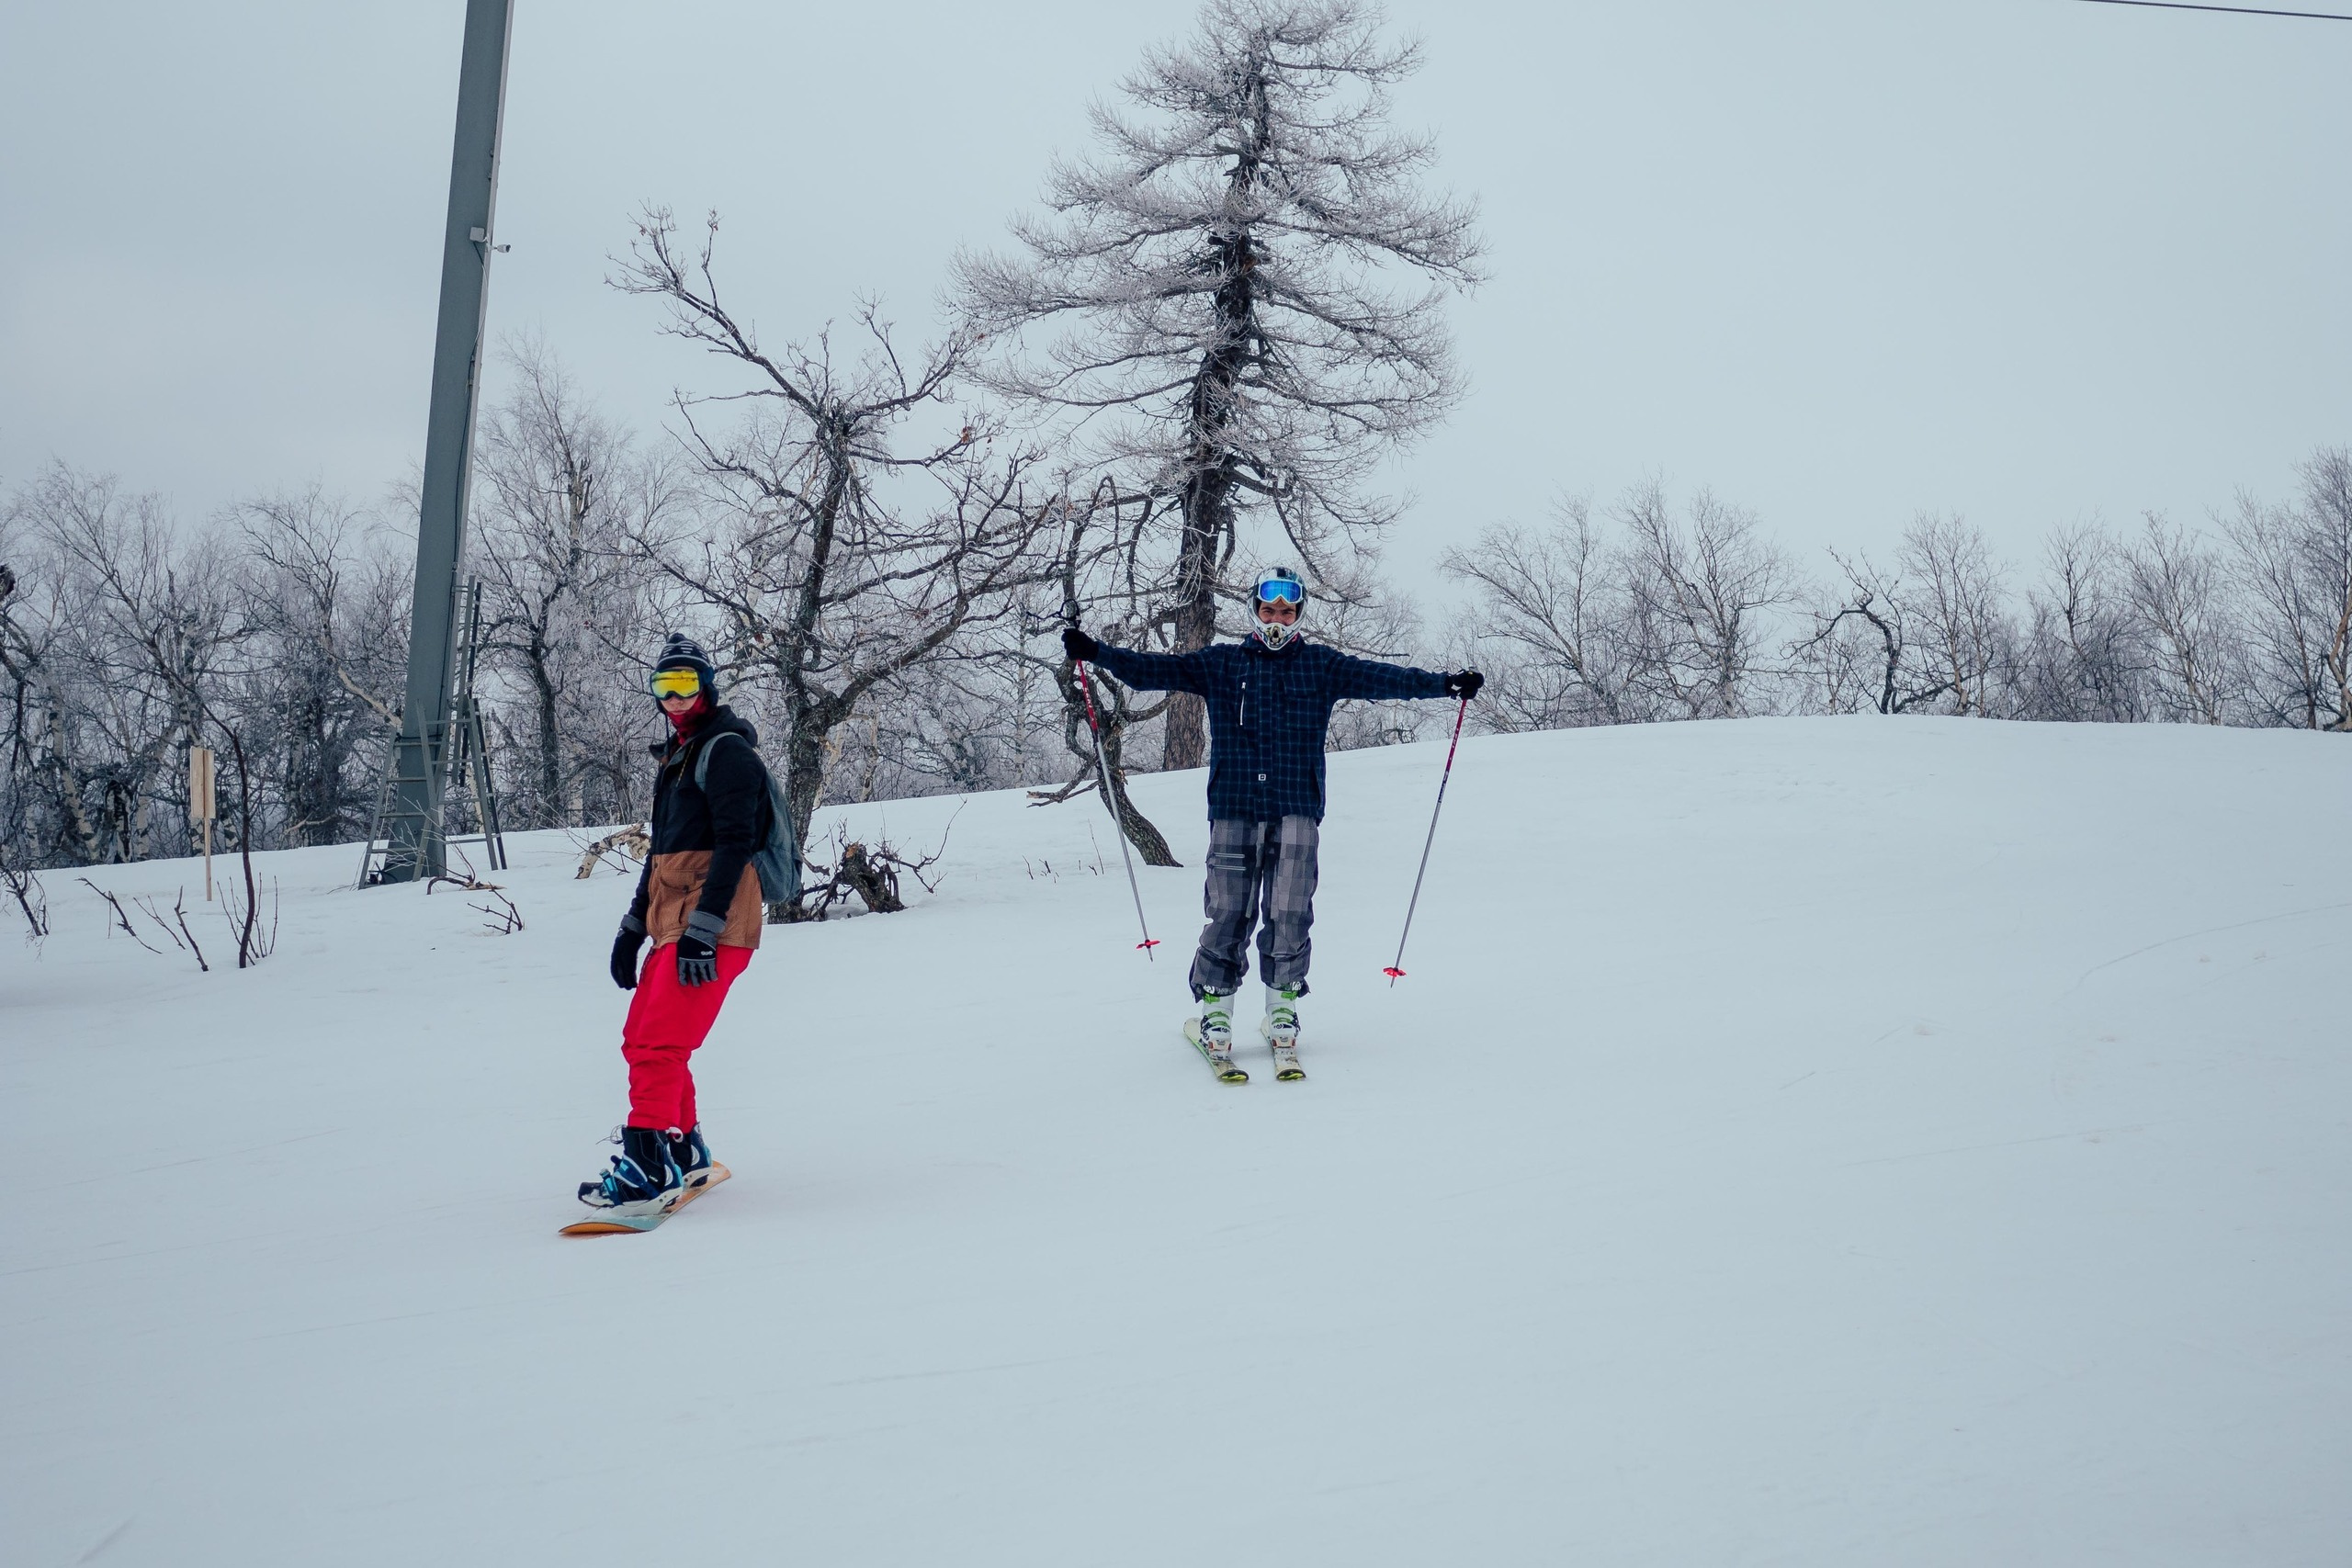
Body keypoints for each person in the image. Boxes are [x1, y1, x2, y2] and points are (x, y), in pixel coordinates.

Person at [1062, 568, 1482, 1080]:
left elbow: (1384, 679)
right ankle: (1215, 1014)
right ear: (1254, 611)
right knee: (1228, 911)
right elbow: (1152, 671)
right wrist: (1096, 652)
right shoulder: (1221, 663)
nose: (1277, 619)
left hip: (1296, 807)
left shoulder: (1321, 665)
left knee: (1290, 912)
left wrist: (1445, 685)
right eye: (1269, 610)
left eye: (1287, 611)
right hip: (1235, 807)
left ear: (1298, 614)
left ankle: (1282, 1009)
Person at [579, 633, 773, 1219]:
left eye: (686, 685)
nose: (675, 698)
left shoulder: (728, 752)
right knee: (643, 1039)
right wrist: (630, 929)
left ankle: (645, 1166)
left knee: (658, 1044)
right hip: (677, 919)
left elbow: (737, 844)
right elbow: (660, 854)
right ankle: (683, 1148)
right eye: (664, 687)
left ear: (707, 686)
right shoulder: (680, 756)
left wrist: (704, 929)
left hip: (713, 924)